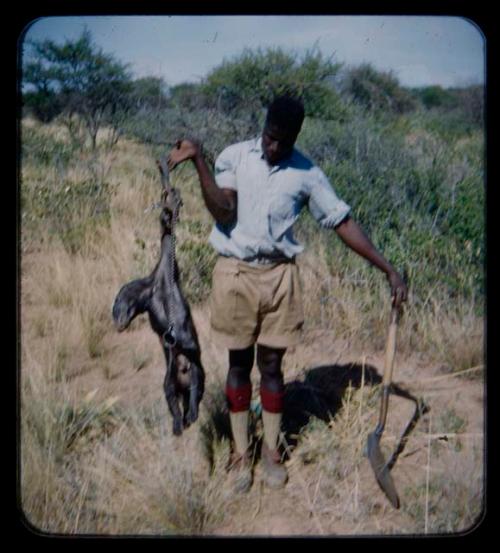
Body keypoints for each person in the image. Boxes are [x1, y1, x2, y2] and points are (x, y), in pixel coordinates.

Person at [167, 95, 408, 493]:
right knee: (239, 365)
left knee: (274, 368)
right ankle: (242, 452)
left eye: (282, 141)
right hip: (236, 274)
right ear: (262, 128)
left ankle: (272, 452)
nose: (272, 147)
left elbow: (342, 222)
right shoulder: (235, 157)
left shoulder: (307, 173)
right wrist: (198, 161)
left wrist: (388, 270)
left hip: (280, 277)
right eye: (268, 137)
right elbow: (224, 211)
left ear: (296, 136)